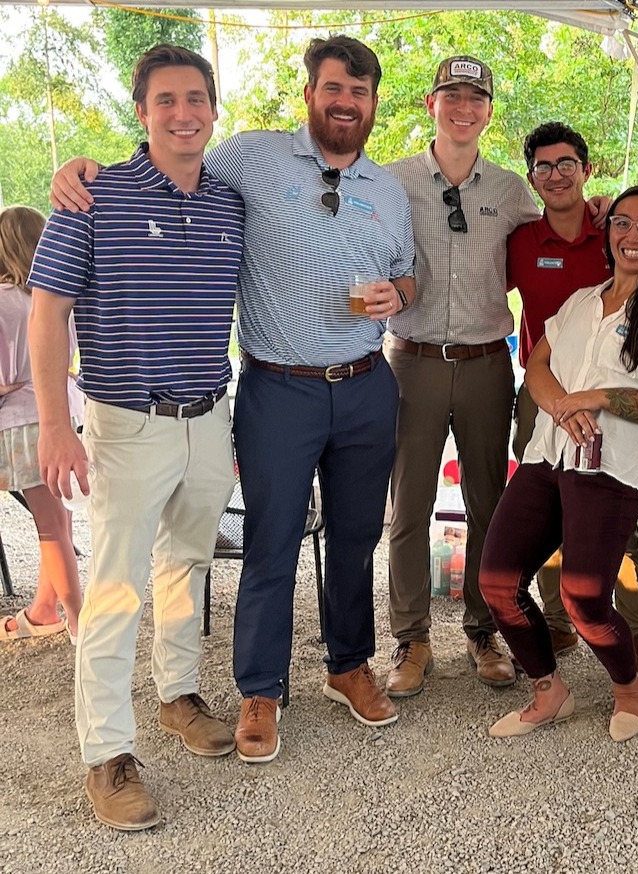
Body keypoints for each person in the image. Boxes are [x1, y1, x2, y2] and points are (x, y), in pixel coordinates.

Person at [48, 35, 415, 765]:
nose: (346, 102)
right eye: (334, 88)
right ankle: (259, 689)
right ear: (309, 93)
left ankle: (347, 665)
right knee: (271, 542)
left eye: (361, 92)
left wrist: (398, 294)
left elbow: (409, 277)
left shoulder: (388, 188)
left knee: (351, 537)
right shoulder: (250, 156)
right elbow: (167, 160)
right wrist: (83, 166)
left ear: (374, 104)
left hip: (363, 384)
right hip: (276, 388)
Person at [30, 45, 243, 831]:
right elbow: (47, 311)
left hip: (206, 417)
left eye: (196, 99)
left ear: (213, 109)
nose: (183, 114)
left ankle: (177, 695)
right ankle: (107, 754)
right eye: (166, 101)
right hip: (124, 423)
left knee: (186, 565)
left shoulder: (229, 202)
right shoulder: (93, 195)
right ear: (142, 112)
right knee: (116, 590)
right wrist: (56, 422)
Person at [479, 185, 638, 742]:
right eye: (624, 222)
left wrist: (596, 397)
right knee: (497, 581)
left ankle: (629, 688)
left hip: (611, 468)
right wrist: (560, 405)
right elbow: (537, 365)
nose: (634, 235)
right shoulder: (579, 301)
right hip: (546, 456)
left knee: (583, 599)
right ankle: (549, 690)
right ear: (609, 232)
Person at [381, 56, 538, 697]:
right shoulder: (390, 182)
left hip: (485, 363)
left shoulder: (510, 190)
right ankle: (411, 638)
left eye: (477, 97)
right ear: (431, 104)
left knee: (488, 503)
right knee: (408, 506)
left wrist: (599, 210)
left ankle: (483, 627)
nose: (463, 107)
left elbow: (554, 245)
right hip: (411, 361)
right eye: (452, 95)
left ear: (489, 110)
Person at [507, 121, 638, 683]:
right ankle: (557, 618)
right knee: (545, 510)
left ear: (587, 168)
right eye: (544, 167)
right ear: (532, 178)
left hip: (613, 404)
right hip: (544, 391)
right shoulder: (522, 240)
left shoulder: (612, 229)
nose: (555, 175)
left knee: (619, 520)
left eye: (566, 164)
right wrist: (554, 401)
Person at [0, 206, 83, 644]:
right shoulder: (55, 297)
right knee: (59, 521)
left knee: (49, 527)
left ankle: (79, 623)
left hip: (21, 419)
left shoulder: (2, 301)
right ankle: (44, 610)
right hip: (65, 411)